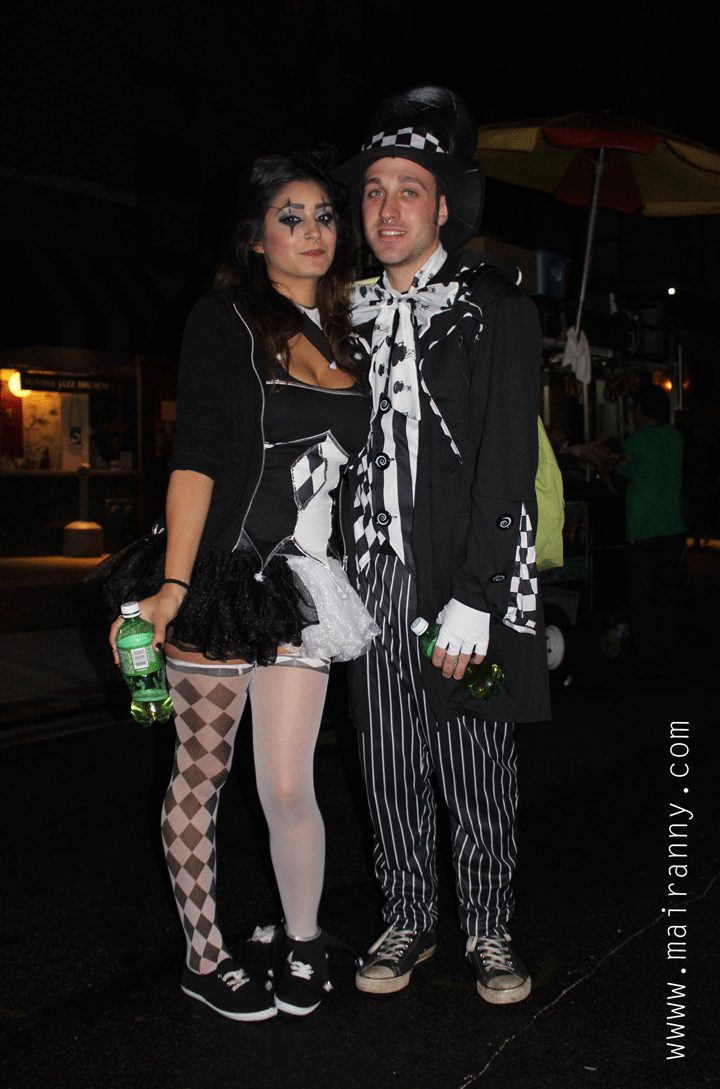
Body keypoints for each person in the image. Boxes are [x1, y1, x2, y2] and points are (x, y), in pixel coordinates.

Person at [104, 154, 376, 1021]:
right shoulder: (223, 320)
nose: (312, 231)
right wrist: (174, 584)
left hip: (303, 584)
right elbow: (197, 458)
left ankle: (302, 939)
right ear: (256, 237)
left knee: (289, 784)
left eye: (325, 215)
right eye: (290, 217)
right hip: (222, 577)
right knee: (202, 774)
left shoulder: (351, 335)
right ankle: (205, 952)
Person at [334, 87, 550, 1004]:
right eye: (373, 190)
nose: (387, 208)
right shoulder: (339, 313)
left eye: (408, 190)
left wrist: (478, 589)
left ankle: (490, 926)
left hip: (465, 582)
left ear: (445, 206)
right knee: (386, 759)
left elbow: (507, 462)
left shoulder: (493, 305)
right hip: (366, 581)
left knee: (475, 757)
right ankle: (409, 915)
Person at [615, 387, 685, 672]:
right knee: (667, 595)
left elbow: (617, 483)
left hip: (643, 531)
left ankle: (648, 657)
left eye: (635, 409)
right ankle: (670, 654)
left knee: (644, 598)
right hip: (673, 528)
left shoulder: (637, 441)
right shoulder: (675, 437)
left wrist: (596, 461)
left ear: (642, 411)